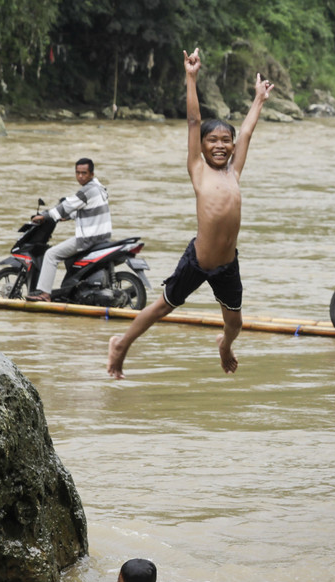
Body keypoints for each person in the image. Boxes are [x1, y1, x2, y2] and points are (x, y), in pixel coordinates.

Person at [107, 48, 274, 378]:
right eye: (213, 141)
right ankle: (121, 345)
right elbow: (194, 121)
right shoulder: (198, 169)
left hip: (227, 264)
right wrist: (191, 77)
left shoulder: (233, 172)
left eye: (226, 141)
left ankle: (224, 344)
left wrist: (259, 100)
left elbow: (247, 133)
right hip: (197, 261)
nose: (221, 146)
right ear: (201, 146)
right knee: (161, 308)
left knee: (235, 323)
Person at [26, 158, 112, 302]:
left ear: (91, 174)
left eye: (84, 173)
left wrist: (44, 216)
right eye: (77, 173)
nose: (80, 176)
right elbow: (87, 209)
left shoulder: (87, 191)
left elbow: (66, 206)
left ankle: (45, 294)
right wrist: (68, 217)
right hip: (101, 237)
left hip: (88, 238)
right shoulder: (99, 188)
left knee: (51, 254)